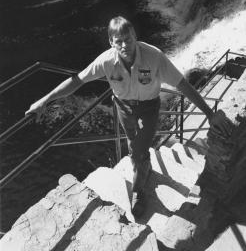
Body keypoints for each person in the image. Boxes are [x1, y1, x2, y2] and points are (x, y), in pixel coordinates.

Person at [26, 16, 227, 217]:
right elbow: (77, 80)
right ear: (111, 43)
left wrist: (210, 114)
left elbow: (181, 84)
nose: (125, 45)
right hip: (123, 108)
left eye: (128, 39)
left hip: (149, 108)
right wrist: (44, 100)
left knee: (138, 150)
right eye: (118, 41)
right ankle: (143, 163)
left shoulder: (153, 56)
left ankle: (138, 191)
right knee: (133, 143)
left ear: (135, 37)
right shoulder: (106, 61)